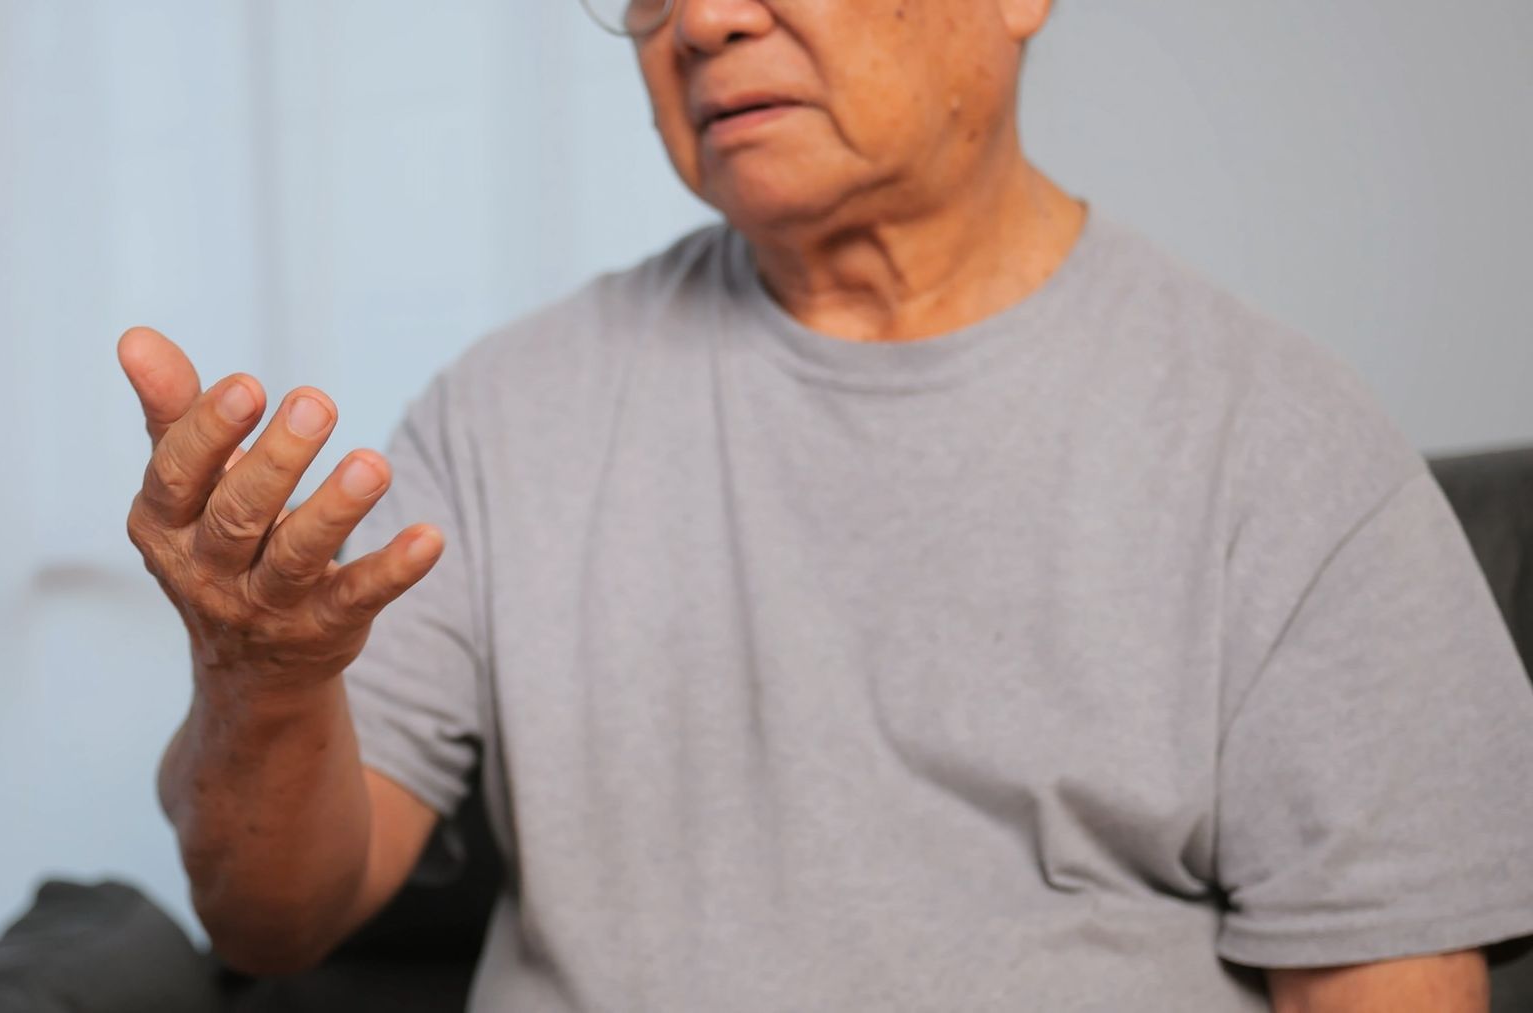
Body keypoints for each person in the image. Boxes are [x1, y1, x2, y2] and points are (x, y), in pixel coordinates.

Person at [118, 1, 1533, 1009]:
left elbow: (1383, 986)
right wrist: (267, 687)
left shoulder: (1283, 444)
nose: (707, 22)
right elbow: (276, 916)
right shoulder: (504, 413)